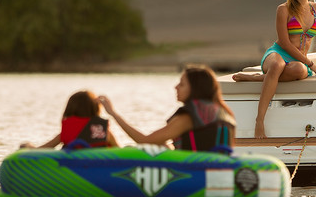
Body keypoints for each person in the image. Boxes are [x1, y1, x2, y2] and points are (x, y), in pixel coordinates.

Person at [232, 0, 316, 138]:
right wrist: (312, 64)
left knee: (300, 70)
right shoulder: (284, 9)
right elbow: (284, 43)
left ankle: (258, 77)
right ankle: (259, 120)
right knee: (277, 64)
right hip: (279, 52)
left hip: (298, 61)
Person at [99, 64, 236, 153]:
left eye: (181, 84)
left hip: (196, 173)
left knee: (132, 149)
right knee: (162, 146)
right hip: (220, 169)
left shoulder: (188, 117)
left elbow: (144, 140)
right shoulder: (224, 112)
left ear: (194, 89)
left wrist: (113, 113)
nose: (175, 87)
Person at [20, 90, 119, 149]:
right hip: (101, 168)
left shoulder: (67, 131)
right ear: (95, 109)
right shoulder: (105, 131)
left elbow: (41, 150)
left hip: (73, 169)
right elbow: (120, 151)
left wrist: (28, 146)